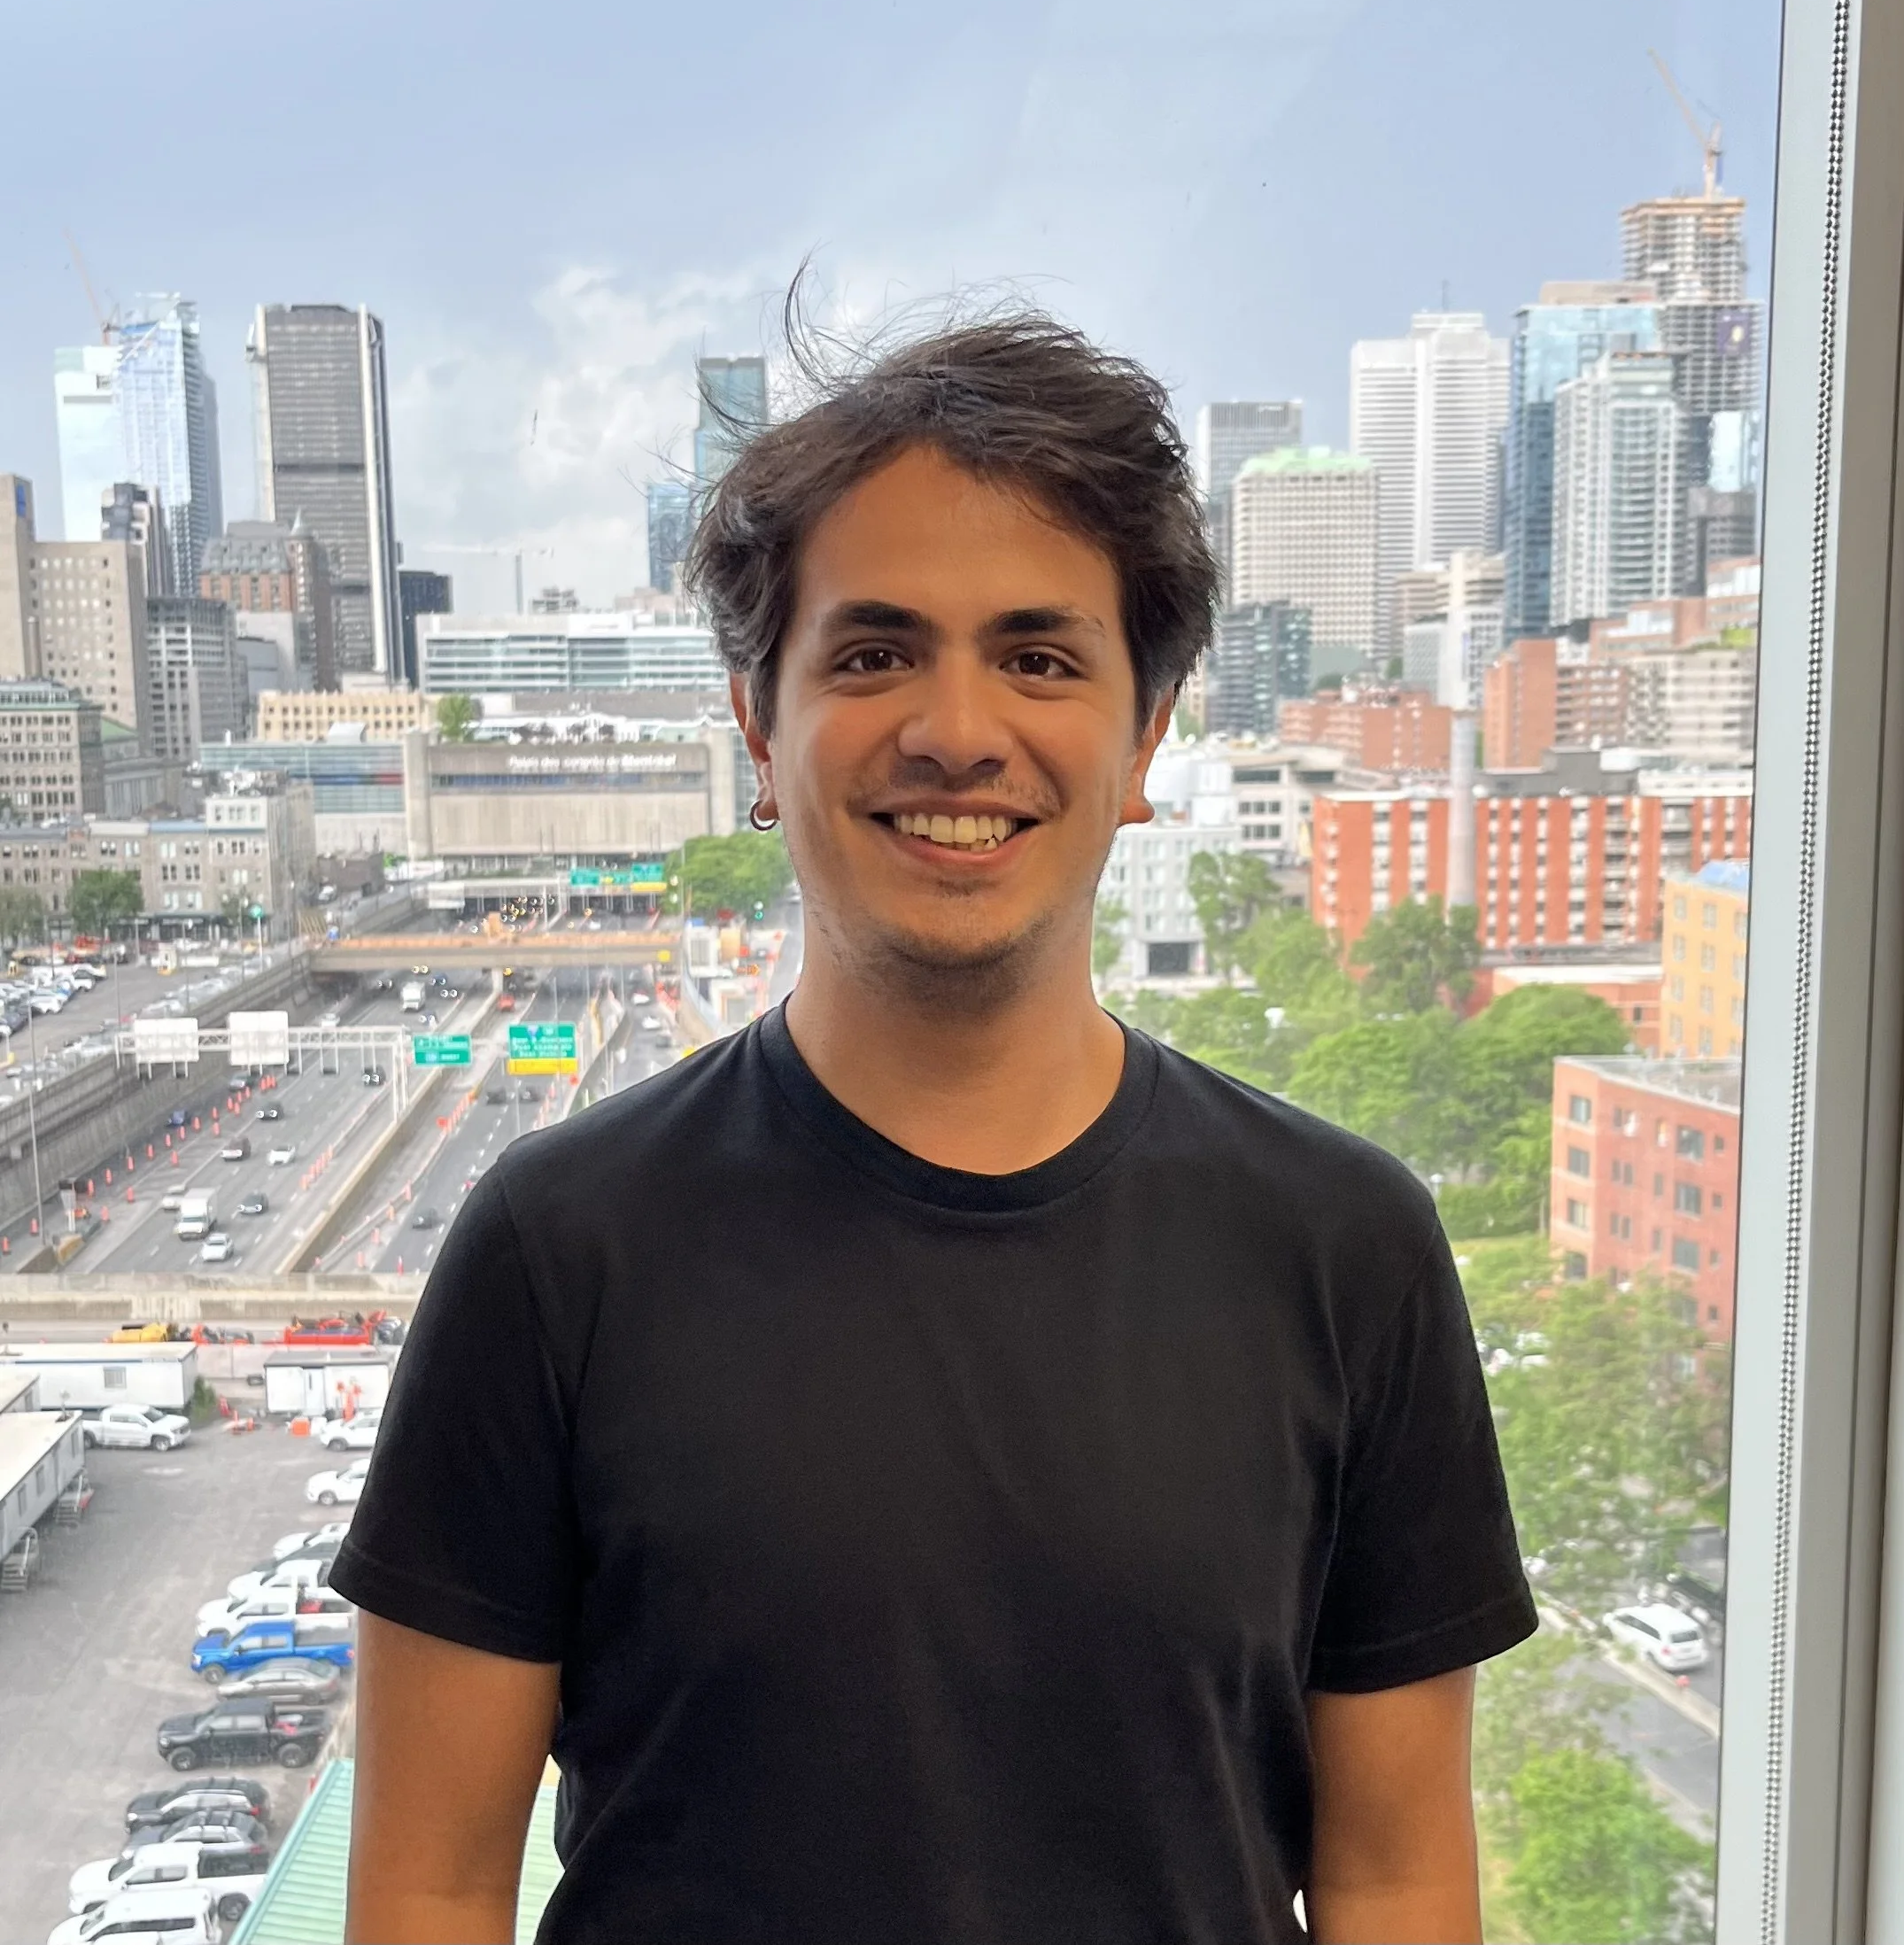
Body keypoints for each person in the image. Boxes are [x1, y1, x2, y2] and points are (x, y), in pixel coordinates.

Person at [333, 315, 1536, 1945]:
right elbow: (429, 1887)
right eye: (873, 651)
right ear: (759, 724)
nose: (957, 729)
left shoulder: (1343, 1251)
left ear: (1145, 735)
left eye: (1040, 657)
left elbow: (1393, 1879)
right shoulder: (557, 1253)